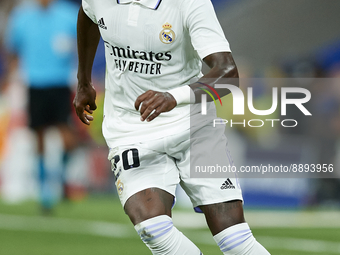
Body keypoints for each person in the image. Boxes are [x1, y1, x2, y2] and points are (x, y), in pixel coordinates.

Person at [74, 0, 270, 254]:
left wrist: (173, 97)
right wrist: (84, 81)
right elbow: (88, 14)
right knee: (152, 227)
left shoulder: (189, 3)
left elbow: (229, 73)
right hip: (132, 127)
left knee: (234, 239)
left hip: (194, 125)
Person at [5, 0, 79, 212]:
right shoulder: (22, 16)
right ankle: (45, 191)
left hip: (60, 84)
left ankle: (62, 178)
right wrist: (11, 77)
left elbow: (82, 45)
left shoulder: (68, 14)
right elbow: (13, 49)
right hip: (35, 83)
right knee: (39, 137)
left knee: (68, 139)